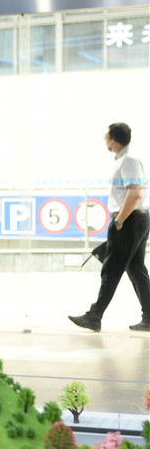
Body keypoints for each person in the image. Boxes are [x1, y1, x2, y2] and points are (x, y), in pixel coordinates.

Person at [69, 123, 149, 332]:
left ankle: (94, 316)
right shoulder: (124, 160)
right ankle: (149, 318)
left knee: (112, 268)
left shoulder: (128, 160)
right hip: (134, 219)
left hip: (129, 220)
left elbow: (135, 192)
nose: (104, 138)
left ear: (113, 140)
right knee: (136, 268)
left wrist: (120, 220)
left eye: (106, 135)